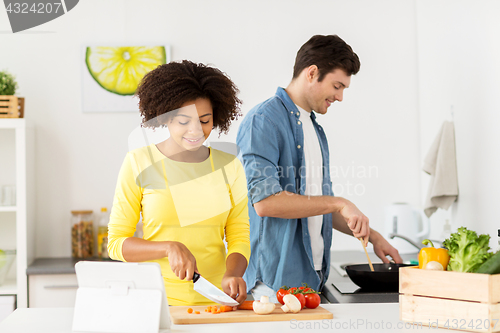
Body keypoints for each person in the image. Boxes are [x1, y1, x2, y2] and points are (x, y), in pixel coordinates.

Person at [236, 35, 402, 301]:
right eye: (337, 86)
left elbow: (320, 209)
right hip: (271, 288)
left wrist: (374, 237)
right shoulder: (263, 121)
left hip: (310, 280)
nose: (340, 97)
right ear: (312, 73)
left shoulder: (315, 129)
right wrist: (339, 203)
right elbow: (266, 202)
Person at [108, 60, 250, 306]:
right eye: (184, 121)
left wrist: (234, 273)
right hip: (158, 301)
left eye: (204, 121)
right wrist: (167, 247)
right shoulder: (138, 162)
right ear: (165, 118)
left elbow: (239, 235)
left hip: (216, 300)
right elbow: (116, 243)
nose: (196, 131)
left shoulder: (230, 165)